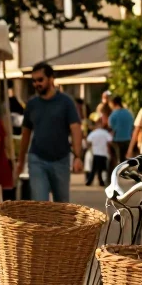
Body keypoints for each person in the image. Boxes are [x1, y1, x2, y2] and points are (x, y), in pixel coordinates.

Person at [16, 61, 83, 202]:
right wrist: (20, 161)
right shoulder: (32, 104)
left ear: (51, 79)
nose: (37, 84)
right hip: (37, 159)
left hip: (61, 160)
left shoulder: (66, 102)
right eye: (34, 81)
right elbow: (26, 133)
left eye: (40, 80)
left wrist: (78, 156)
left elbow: (75, 129)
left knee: (61, 205)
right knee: (40, 203)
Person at [84, 120, 113, 187]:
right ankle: (102, 181)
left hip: (96, 153)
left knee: (94, 168)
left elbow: (88, 141)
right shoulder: (105, 133)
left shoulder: (93, 133)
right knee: (102, 168)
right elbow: (110, 140)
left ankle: (90, 181)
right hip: (103, 153)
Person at [107, 94, 134, 163]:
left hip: (117, 140)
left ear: (112, 103)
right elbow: (132, 126)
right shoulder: (129, 113)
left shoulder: (113, 115)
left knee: (118, 161)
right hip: (128, 139)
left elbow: (111, 128)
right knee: (126, 161)